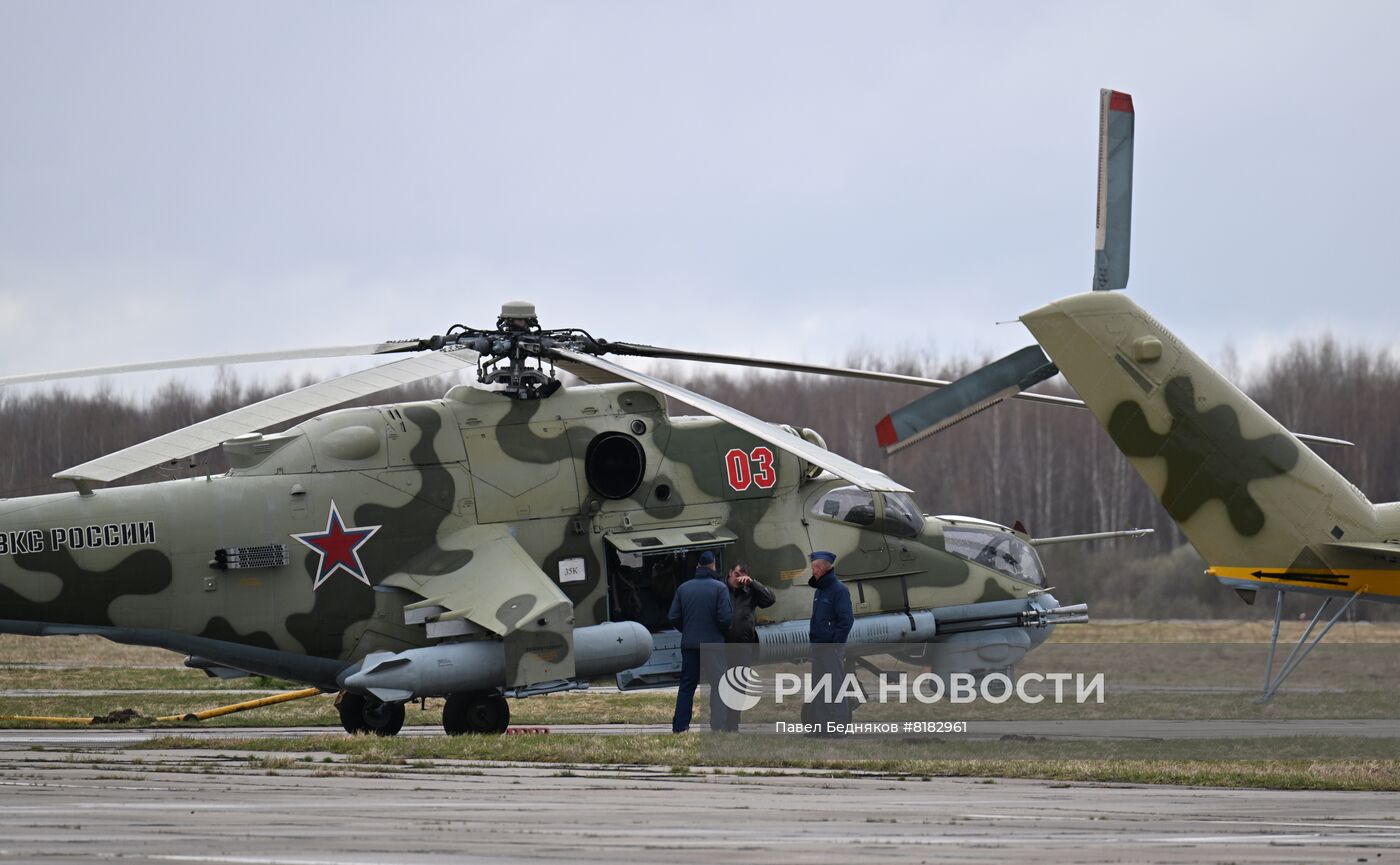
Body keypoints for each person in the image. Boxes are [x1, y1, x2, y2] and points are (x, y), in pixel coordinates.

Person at [667, 551, 733, 733]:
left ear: (698, 567)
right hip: (713, 644)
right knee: (718, 684)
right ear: (713, 565)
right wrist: (720, 633)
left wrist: (687, 629)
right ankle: (718, 725)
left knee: (687, 686)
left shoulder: (683, 588)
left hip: (689, 644)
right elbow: (726, 618)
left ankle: (680, 726)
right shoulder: (720, 588)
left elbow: (673, 616)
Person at [720, 561, 776, 731]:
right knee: (720, 685)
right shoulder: (720, 590)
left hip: (743, 645)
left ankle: (732, 724)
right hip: (722, 644)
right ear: (730, 573)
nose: (738, 579)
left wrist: (752, 583)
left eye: (742, 576)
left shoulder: (750, 591)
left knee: (738, 686)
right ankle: (719, 721)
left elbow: (770, 599)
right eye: (736, 574)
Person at [808, 550, 854, 726]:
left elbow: (846, 619)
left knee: (835, 688)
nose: (813, 571)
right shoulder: (819, 590)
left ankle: (839, 725)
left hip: (831, 648)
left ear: (823, 568)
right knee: (819, 688)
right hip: (818, 646)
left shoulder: (839, 590)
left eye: (815, 567)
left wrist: (836, 644)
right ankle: (821, 726)